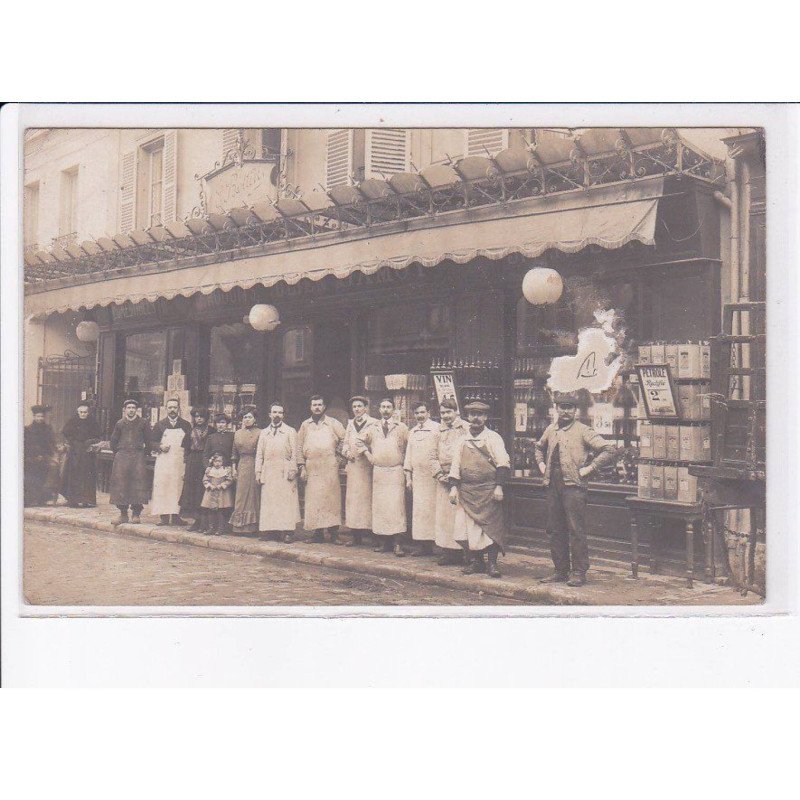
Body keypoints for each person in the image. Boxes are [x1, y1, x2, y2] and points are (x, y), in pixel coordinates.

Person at [534, 391, 616, 587]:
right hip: (552, 484)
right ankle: (560, 571)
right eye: (562, 407)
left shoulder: (583, 430)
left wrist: (590, 468)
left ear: (576, 410)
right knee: (555, 529)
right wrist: (541, 465)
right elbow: (538, 447)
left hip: (573, 486)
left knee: (575, 530)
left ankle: (579, 572)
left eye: (569, 407)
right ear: (556, 408)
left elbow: (609, 449)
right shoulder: (551, 429)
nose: (565, 411)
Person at [448, 400, 510, 578]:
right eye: (472, 414)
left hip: (488, 490)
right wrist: (453, 488)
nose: (476, 418)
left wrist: (499, 487)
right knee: (467, 528)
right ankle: (477, 562)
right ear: (467, 417)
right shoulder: (461, 440)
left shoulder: (493, 438)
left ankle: (492, 564)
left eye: (480, 414)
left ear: (486, 417)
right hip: (467, 491)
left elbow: (503, 464)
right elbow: (455, 465)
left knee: (490, 529)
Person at [357, 398, 409, 557]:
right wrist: (367, 454)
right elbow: (358, 440)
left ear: (393, 410)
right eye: (383, 407)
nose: (386, 410)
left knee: (396, 507)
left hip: (395, 471)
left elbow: (410, 446)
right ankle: (384, 542)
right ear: (379, 409)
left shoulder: (401, 427)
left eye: (388, 407)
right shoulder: (372, 427)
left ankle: (398, 543)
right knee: (381, 507)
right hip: (379, 472)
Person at [297, 395, 345, 544]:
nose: (317, 407)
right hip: (312, 467)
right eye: (314, 405)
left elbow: (345, 439)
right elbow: (299, 446)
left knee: (331, 500)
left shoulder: (333, 423)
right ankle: (317, 534)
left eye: (319, 404)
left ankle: (334, 534)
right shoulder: (305, 425)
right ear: (310, 407)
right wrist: (302, 467)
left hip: (329, 466)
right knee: (314, 500)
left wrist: (339, 459)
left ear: (324, 407)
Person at [429, 398, 470, 565]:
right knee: (444, 518)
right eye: (443, 413)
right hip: (443, 480)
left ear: (456, 412)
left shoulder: (466, 428)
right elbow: (431, 456)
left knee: (461, 518)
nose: (445, 416)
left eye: (449, 412)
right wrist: (439, 475)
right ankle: (447, 552)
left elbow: (470, 453)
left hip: (461, 480)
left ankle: (466, 553)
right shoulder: (437, 432)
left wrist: (458, 476)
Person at [254, 402, 301, 543]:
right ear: (270, 414)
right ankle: (271, 531)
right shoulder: (264, 433)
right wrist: (258, 472)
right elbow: (259, 455)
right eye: (274, 412)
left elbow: (295, 452)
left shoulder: (290, 431)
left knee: (285, 502)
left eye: (280, 412)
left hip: (285, 470)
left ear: (283, 415)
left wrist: (293, 469)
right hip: (268, 471)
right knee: (270, 501)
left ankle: (288, 532)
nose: (277, 415)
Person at [404, 401, 440, 556]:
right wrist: (408, 478)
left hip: (433, 478)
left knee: (434, 511)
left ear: (429, 413)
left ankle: (436, 545)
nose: (420, 415)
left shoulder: (436, 429)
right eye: (417, 413)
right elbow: (408, 456)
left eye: (422, 412)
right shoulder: (412, 432)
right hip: (418, 478)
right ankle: (423, 546)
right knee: (420, 512)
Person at [109, 399, 152, 525]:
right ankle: (123, 514)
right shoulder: (120, 423)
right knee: (121, 485)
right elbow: (113, 441)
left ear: (137, 410)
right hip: (122, 457)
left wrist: (146, 453)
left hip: (138, 457)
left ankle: (136, 514)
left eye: (133, 407)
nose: (131, 410)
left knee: (138, 484)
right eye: (129, 407)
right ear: (125, 410)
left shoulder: (143, 423)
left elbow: (148, 440)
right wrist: (118, 453)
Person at [341, 395, 377, 547]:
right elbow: (345, 443)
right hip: (354, 467)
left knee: (369, 500)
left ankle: (373, 536)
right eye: (354, 407)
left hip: (368, 467)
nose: (356, 409)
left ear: (366, 408)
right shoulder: (350, 424)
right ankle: (356, 536)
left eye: (359, 406)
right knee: (354, 501)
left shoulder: (374, 423)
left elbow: (376, 443)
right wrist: (346, 452)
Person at [149, 398, 191, 525]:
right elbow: (151, 442)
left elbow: (189, 444)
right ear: (166, 409)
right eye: (170, 407)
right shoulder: (159, 425)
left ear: (179, 409)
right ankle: (164, 516)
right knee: (163, 487)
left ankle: (176, 515)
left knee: (177, 487)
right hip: (164, 461)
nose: (172, 410)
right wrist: (159, 447)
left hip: (179, 461)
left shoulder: (186, 425)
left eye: (175, 407)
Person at [60, 403, 102, 508]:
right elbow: (66, 433)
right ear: (78, 412)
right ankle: (73, 500)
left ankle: (87, 500)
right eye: (81, 412)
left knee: (87, 475)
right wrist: (72, 442)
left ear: (88, 412)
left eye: (85, 412)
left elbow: (98, 435)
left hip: (87, 453)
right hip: (75, 451)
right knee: (73, 475)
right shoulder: (72, 421)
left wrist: (91, 442)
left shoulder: (92, 422)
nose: (83, 414)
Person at [229, 407, 262, 534]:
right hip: (242, 465)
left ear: (255, 419)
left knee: (254, 494)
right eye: (245, 417)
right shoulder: (237, 433)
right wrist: (234, 468)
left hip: (255, 464)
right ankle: (239, 527)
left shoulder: (260, 432)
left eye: (250, 417)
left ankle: (253, 527)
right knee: (241, 495)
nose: (247, 420)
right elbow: (233, 453)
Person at [180, 408, 211, 532]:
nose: (199, 419)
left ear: (206, 418)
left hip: (205, 461)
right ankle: (196, 521)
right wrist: (185, 467)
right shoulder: (189, 431)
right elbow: (186, 451)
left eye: (202, 416)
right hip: (193, 462)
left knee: (203, 490)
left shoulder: (211, 431)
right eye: (197, 416)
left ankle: (205, 522)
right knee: (193, 491)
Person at [24, 404, 57, 507]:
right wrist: (35, 455)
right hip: (31, 458)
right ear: (34, 417)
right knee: (31, 479)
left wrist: (50, 454)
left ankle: (41, 499)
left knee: (43, 478)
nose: (40, 418)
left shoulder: (47, 429)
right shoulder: (28, 429)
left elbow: (51, 443)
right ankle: (31, 499)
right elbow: (27, 444)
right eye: (38, 416)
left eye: (41, 416)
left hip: (44, 457)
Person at [200, 453, 235, 535]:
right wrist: (209, 485)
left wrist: (222, 485)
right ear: (212, 462)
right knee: (211, 511)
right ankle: (211, 528)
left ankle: (220, 528)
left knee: (220, 511)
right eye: (215, 461)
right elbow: (205, 480)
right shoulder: (209, 470)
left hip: (221, 493)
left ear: (222, 462)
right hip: (211, 492)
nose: (217, 463)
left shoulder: (225, 470)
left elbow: (229, 480)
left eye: (219, 461)